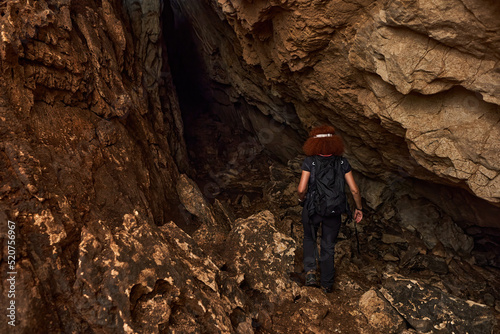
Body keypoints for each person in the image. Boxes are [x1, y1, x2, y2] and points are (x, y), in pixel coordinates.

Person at [297, 125, 363, 293]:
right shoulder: (342, 162)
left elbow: (301, 189)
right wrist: (358, 208)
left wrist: (301, 199)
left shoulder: (309, 162)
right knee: (328, 246)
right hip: (333, 211)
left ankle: (311, 274)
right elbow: (354, 189)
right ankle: (326, 285)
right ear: (334, 143)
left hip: (312, 209)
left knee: (309, 239)